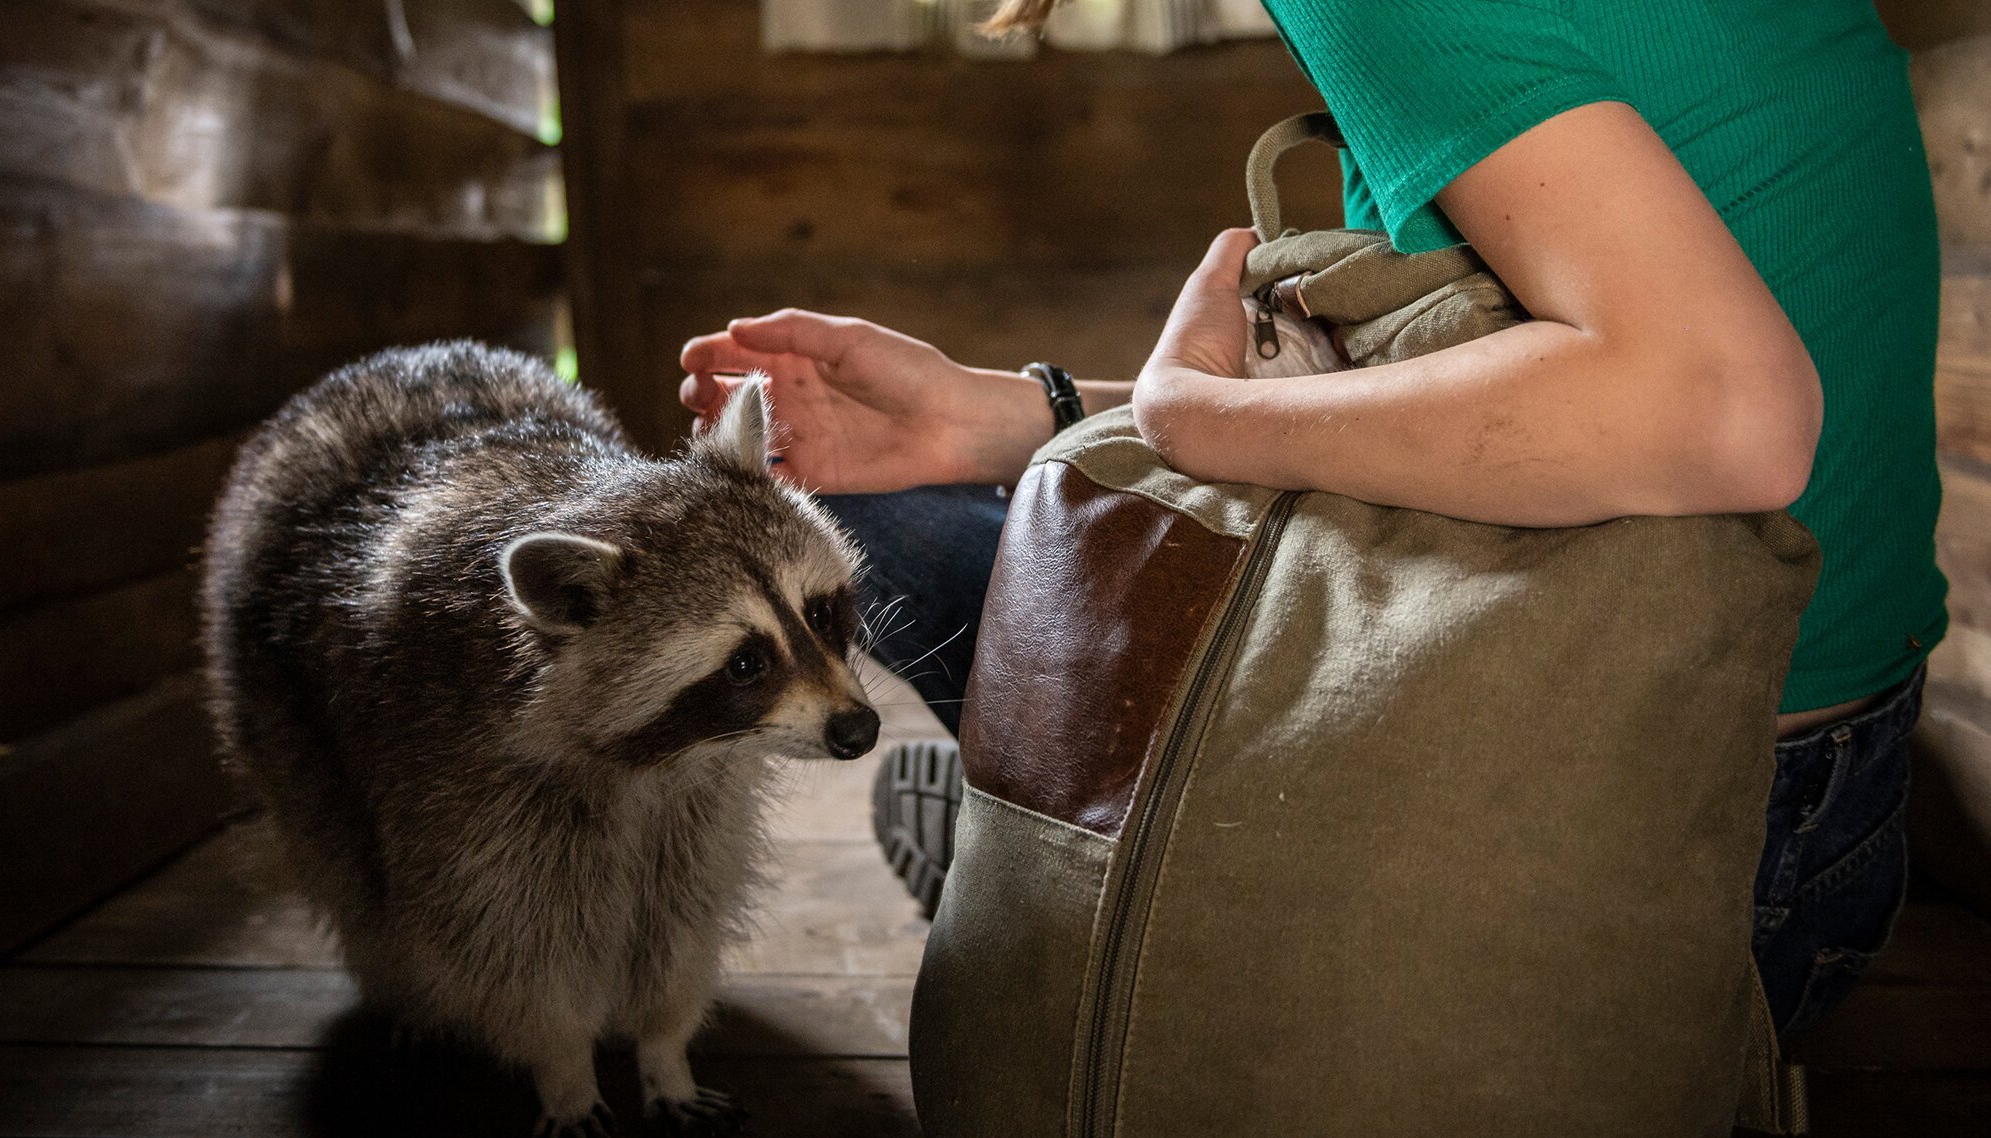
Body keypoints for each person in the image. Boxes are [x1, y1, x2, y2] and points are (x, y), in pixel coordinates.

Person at [677, 0, 1944, 1035]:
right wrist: (1013, 412)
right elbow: (1501, 388)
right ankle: (1024, 863)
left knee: (912, 537)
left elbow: (1722, 407)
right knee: (938, 490)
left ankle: (1040, 903)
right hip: (1834, 801)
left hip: (1678, 843)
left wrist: (1184, 421)